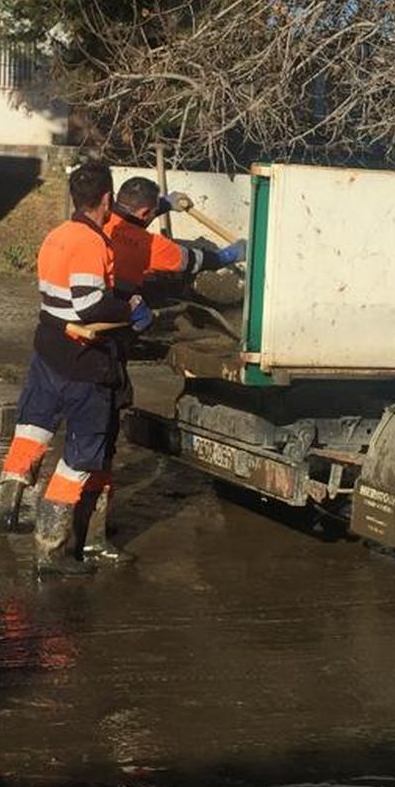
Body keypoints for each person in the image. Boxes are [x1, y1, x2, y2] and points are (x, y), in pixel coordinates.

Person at [0, 161, 149, 576]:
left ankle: (6, 512)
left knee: (33, 430)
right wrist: (131, 309)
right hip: (83, 360)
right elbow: (90, 304)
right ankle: (52, 546)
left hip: (49, 348)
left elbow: (63, 298)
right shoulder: (90, 243)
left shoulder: (56, 235)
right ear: (108, 201)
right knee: (82, 455)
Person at [78, 177, 245, 562]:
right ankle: (91, 532)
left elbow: (130, 219)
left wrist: (166, 206)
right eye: (153, 212)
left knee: (88, 436)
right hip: (111, 340)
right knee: (103, 432)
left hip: (76, 340)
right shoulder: (148, 244)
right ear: (145, 214)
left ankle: (83, 525)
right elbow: (191, 261)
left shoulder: (100, 225)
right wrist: (229, 255)